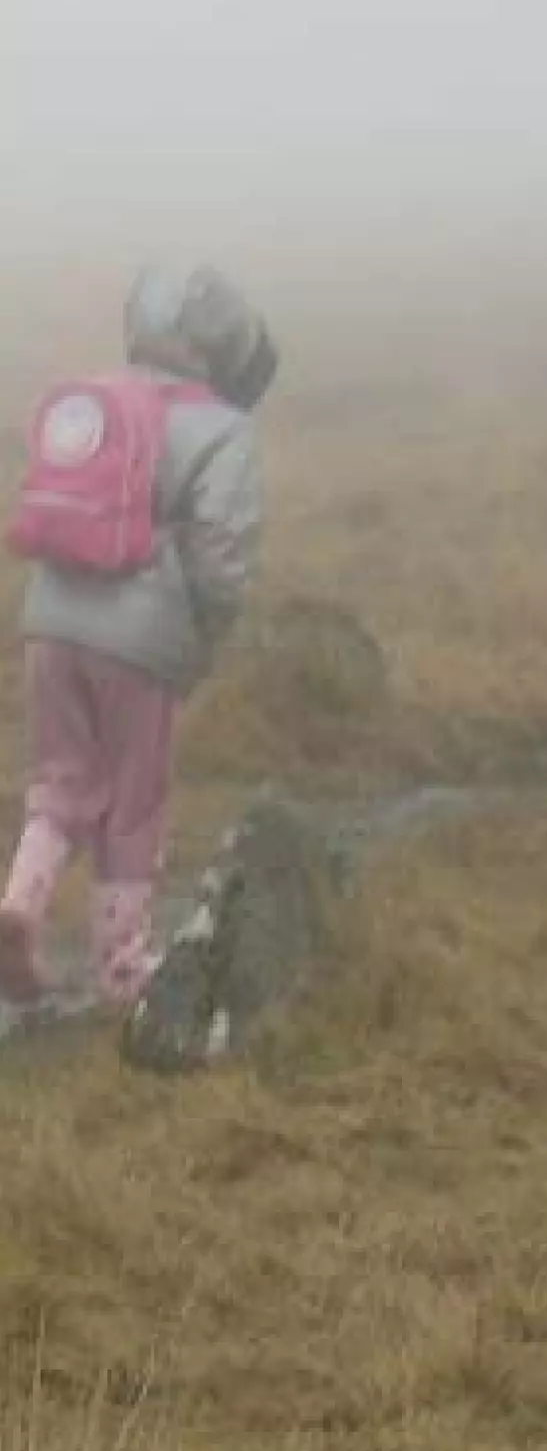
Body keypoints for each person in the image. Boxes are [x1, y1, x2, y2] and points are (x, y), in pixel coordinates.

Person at [0, 262, 276, 1010]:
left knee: (61, 784)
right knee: (134, 804)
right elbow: (223, 554)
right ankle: (123, 967)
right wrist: (203, 636)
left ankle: (21, 902)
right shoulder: (224, 429)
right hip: (142, 643)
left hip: (49, 620)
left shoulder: (96, 397)